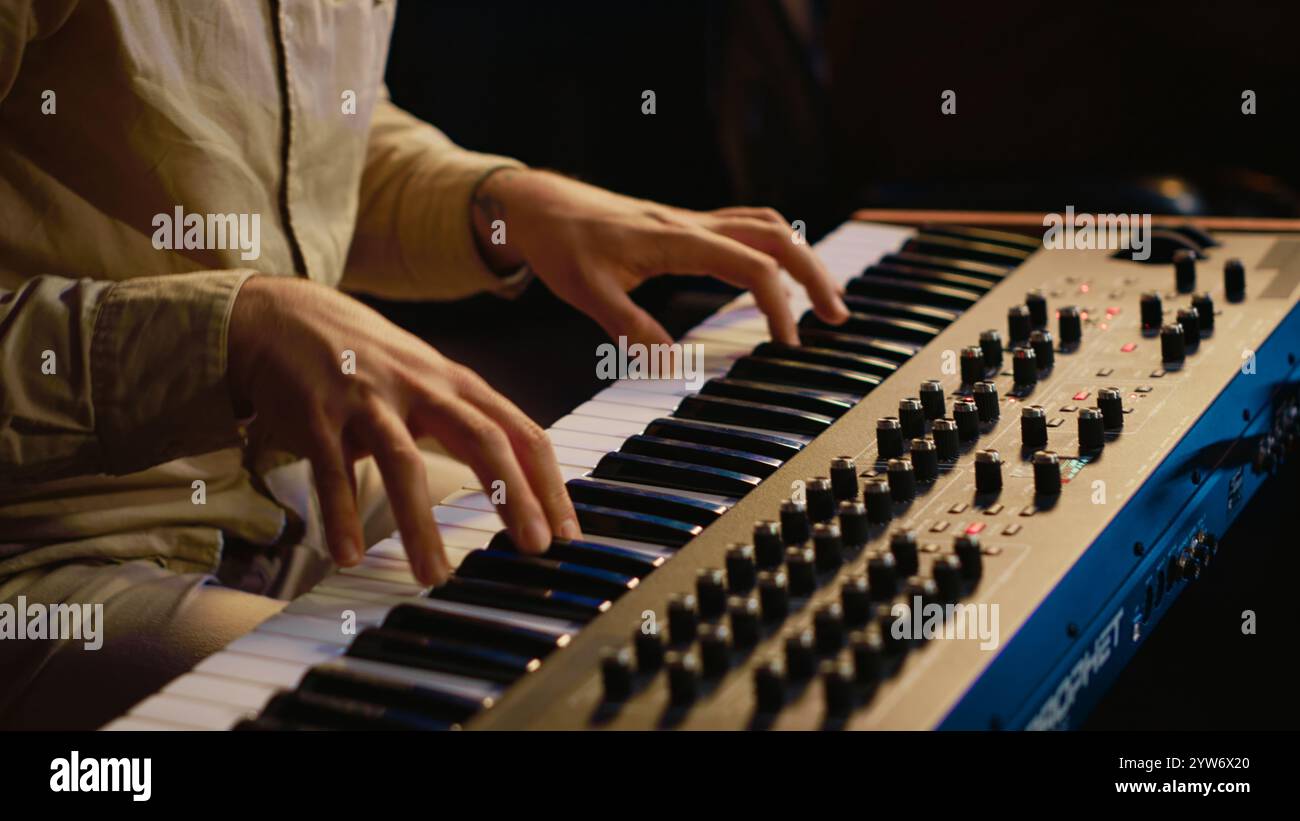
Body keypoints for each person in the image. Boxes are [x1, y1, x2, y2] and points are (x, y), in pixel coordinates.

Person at [0, 0, 848, 729]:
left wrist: (501, 204)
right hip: (44, 549)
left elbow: (314, 152)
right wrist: (230, 334)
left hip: (287, 486)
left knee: (636, 598)